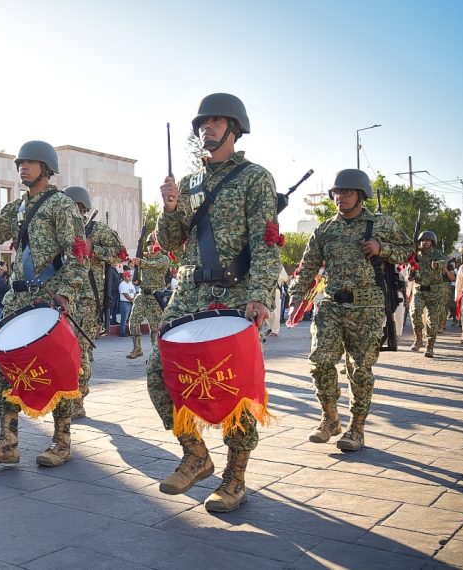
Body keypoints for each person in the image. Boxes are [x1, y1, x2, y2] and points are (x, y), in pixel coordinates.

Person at [150, 94, 281, 513]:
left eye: (215, 121)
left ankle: (235, 477)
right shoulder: (187, 183)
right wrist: (169, 208)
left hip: (236, 293)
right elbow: (170, 243)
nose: (206, 127)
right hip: (188, 292)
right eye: (202, 122)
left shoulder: (254, 178)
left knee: (234, 387)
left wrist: (261, 294)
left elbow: (267, 241)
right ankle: (195, 454)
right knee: (159, 373)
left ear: (234, 128)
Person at [0, 140, 87, 468]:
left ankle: (62, 441)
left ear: (46, 167)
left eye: (30, 162)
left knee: (57, 370)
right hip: (17, 299)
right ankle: (8, 440)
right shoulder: (18, 206)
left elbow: (79, 253)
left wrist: (66, 294)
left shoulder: (61, 205)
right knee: (7, 367)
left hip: (48, 299)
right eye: (20, 163)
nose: (23, 167)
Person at [290, 168, 412, 457]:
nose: (339, 197)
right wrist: (297, 298)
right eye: (336, 193)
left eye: (346, 192)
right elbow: (308, 266)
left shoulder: (381, 223)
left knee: (359, 369)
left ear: (361, 195)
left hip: (367, 306)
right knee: (320, 361)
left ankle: (357, 427)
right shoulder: (325, 229)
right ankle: (330, 418)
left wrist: (382, 248)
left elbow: (408, 250)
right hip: (331, 303)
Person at [63, 184, 127, 415]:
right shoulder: (59, 230)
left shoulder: (97, 230)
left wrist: (93, 248)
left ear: (82, 208)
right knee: (64, 351)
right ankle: (65, 397)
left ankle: (78, 400)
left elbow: (120, 253)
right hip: (61, 297)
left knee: (80, 351)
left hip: (87, 300)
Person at [408, 231, 453, 358]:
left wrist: (437, 265)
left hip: (435, 292)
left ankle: (430, 346)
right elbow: (411, 267)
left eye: (427, 240)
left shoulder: (438, 254)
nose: (424, 242)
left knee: (432, 321)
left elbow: (445, 262)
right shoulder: (416, 255)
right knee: (414, 312)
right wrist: (410, 275)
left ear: (432, 242)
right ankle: (418, 339)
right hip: (419, 290)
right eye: (422, 240)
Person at [127, 244, 171, 359]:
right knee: (133, 321)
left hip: (155, 297)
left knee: (155, 327)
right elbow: (139, 278)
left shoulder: (164, 259)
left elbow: (156, 266)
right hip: (142, 295)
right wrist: (136, 280)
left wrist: (141, 263)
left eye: (153, 243)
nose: (150, 246)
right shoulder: (143, 259)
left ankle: (157, 354)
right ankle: (137, 348)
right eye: (148, 243)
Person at [117, 271, 136, 337]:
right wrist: (131, 299)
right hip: (125, 302)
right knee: (124, 318)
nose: (130, 277)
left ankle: (130, 331)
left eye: (130, 276)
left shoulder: (131, 284)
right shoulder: (122, 284)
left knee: (131, 318)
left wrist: (133, 299)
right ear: (125, 277)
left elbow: (134, 292)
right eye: (128, 276)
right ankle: (122, 332)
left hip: (131, 302)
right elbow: (125, 294)